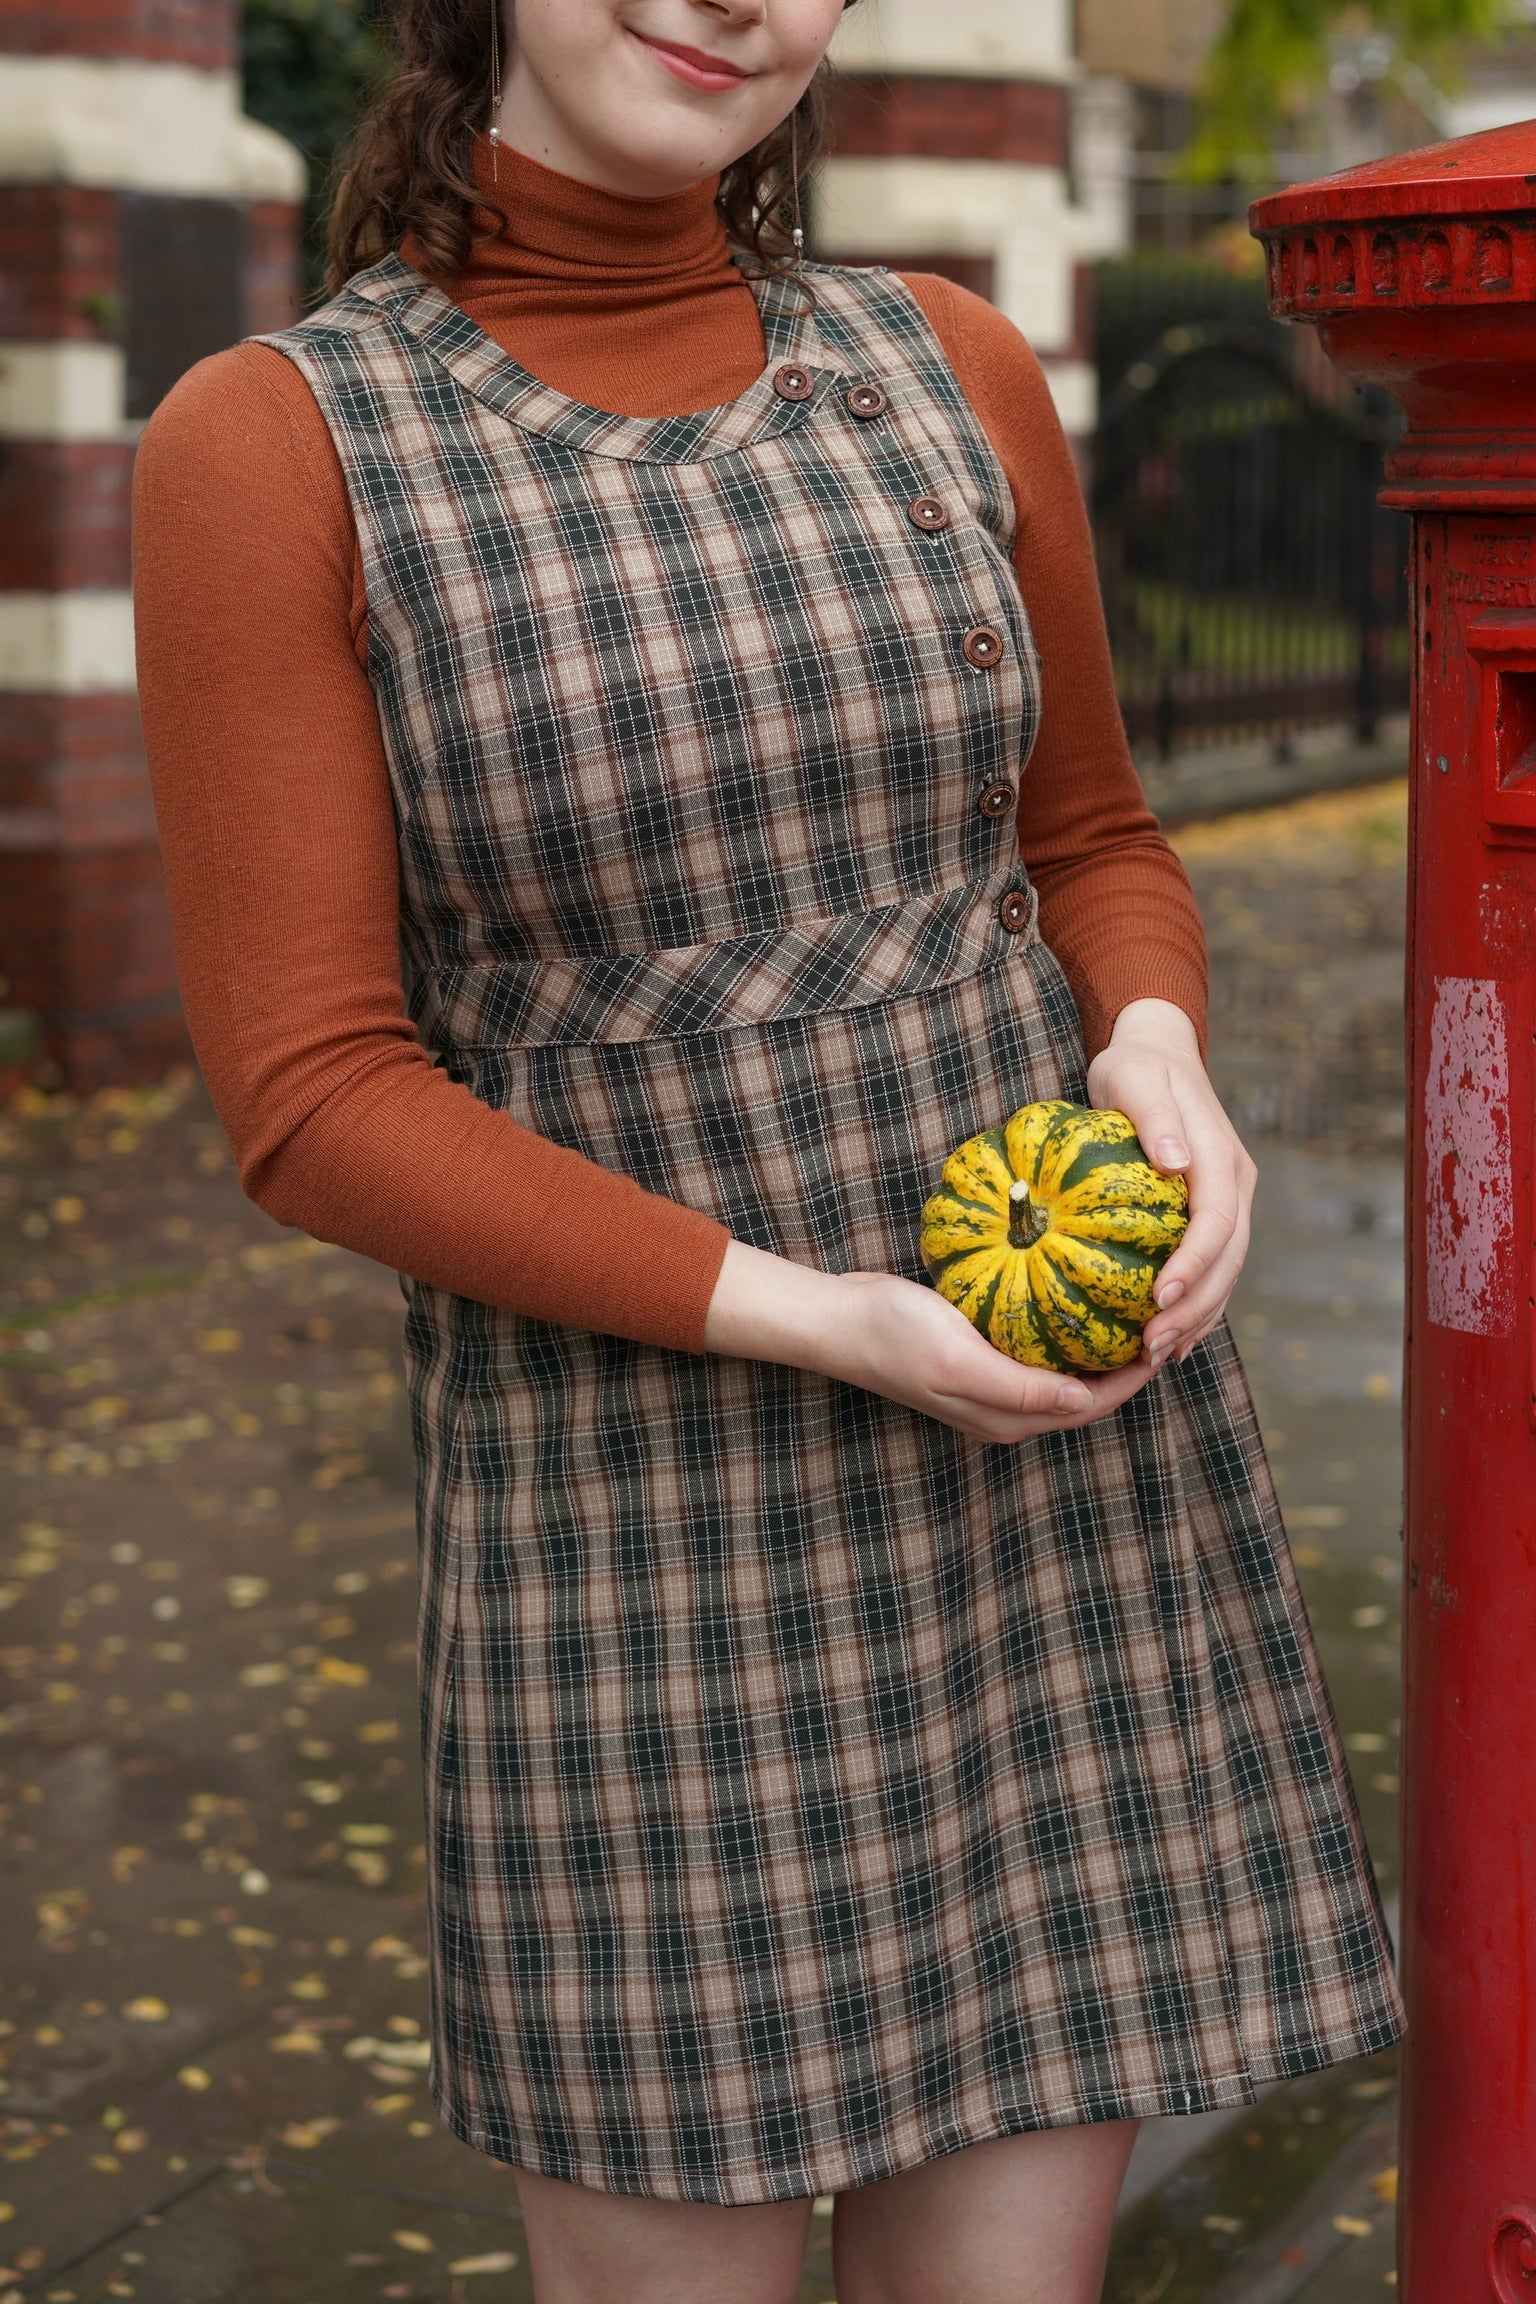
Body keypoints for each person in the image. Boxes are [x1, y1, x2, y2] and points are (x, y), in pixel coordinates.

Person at [131, 3, 1405, 2297]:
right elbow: (315, 1095)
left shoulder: (944, 361)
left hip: (1049, 1477)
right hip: (629, 1527)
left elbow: (1093, 828)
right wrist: (817, 1313)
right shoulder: (282, 439)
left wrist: (1162, 1053)